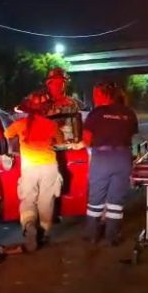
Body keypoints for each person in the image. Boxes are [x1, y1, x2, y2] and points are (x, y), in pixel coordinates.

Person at [5, 92, 65, 252]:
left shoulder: (20, 124)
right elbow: (60, 141)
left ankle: (29, 225)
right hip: (49, 167)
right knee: (46, 201)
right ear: (45, 109)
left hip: (29, 168)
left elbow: (7, 134)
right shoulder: (51, 125)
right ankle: (43, 233)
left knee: (28, 200)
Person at [80, 81, 139, 245]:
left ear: (104, 95)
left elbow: (86, 140)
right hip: (123, 158)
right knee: (116, 199)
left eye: (96, 94)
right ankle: (112, 236)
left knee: (96, 197)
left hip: (103, 157)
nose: (94, 98)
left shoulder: (96, 113)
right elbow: (130, 135)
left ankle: (92, 234)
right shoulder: (129, 113)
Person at [23, 67, 83, 143]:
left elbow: (76, 126)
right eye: (54, 83)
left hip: (67, 144)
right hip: (45, 145)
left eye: (61, 82)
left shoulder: (72, 103)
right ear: (48, 84)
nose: (58, 86)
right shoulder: (39, 100)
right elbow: (31, 120)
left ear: (65, 84)